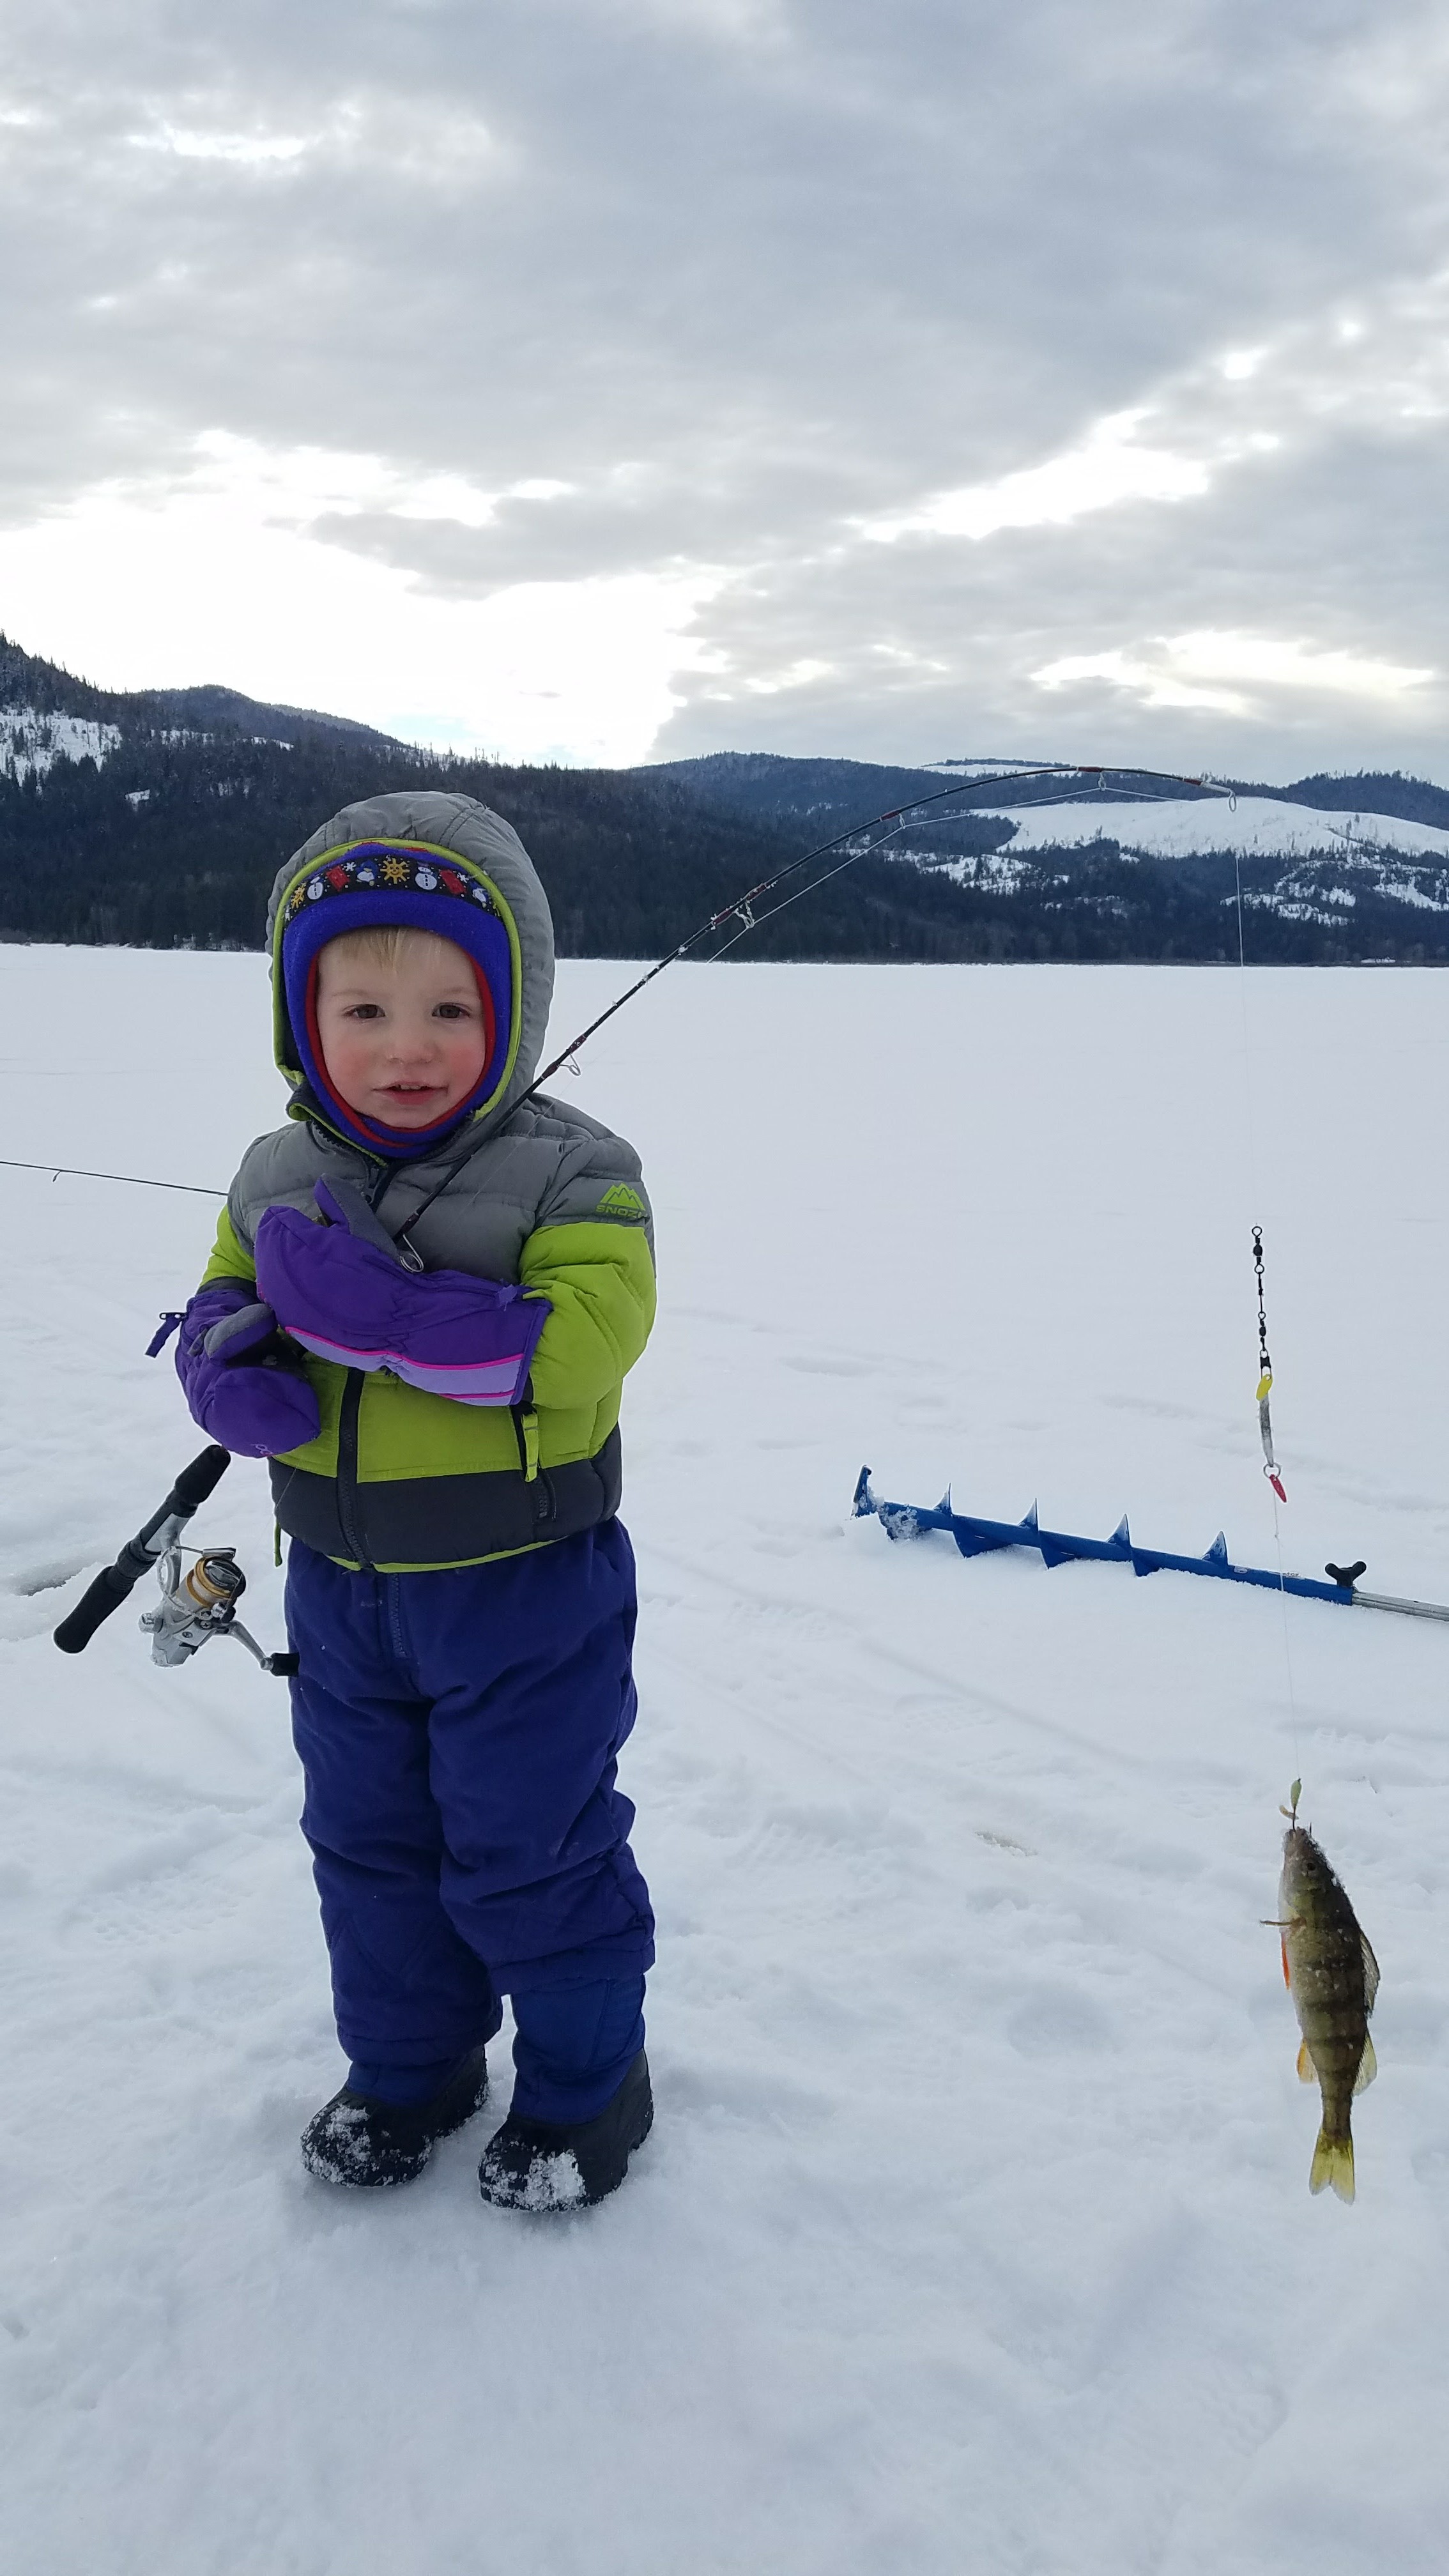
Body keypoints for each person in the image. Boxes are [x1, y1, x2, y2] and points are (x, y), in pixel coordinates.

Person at [167, 790, 657, 2209]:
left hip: (523, 1587)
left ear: (514, 1010)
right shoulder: (277, 1171)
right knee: (368, 1847)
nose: (406, 1050)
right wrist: (221, 1361)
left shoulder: (578, 1169)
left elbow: (584, 1344)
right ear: (298, 1017)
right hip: (339, 1587)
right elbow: (220, 1293)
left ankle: (585, 2090)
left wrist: (392, 1320)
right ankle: (411, 2065)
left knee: (532, 1842)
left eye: (451, 1009)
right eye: (363, 1011)